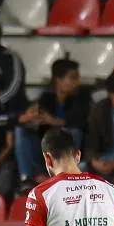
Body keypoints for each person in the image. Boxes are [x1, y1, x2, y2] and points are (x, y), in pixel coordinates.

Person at [16, 58, 92, 188]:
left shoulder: (83, 98)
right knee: (21, 132)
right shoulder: (46, 98)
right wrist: (29, 118)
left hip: (71, 153)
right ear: (58, 80)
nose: (78, 82)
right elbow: (35, 122)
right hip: (47, 150)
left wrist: (54, 121)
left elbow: (80, 123)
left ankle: (64, 174)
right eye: (73, 78)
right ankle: (27, 178)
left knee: (73, 132)